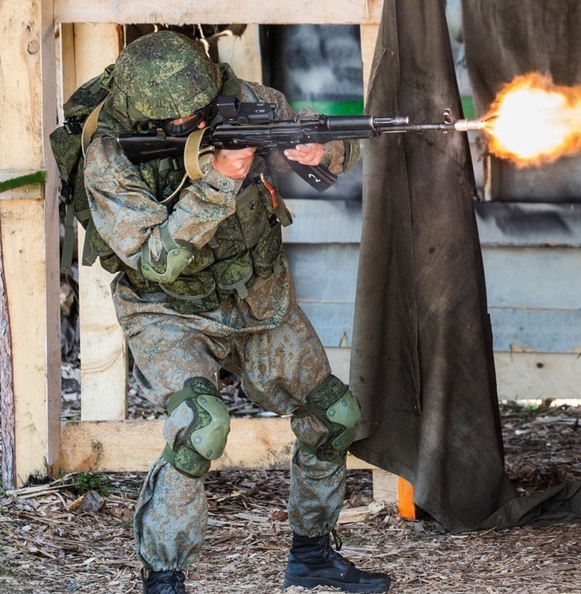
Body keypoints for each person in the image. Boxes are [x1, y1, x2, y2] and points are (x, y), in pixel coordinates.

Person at [81, 30, 391, 594]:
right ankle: (164, 575)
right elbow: (157, 261)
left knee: (334, 414)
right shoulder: (108, 153)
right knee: (202, 427)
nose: (194, 123)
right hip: (167, 309)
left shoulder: (246, 100)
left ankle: (313, 554)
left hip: (256, 295)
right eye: (179, 122)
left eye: (201, 110)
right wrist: (220, 179)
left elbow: (325, 137)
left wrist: (325, 152)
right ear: (149, 117)